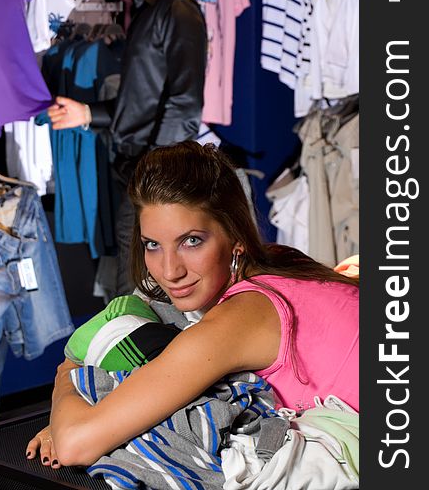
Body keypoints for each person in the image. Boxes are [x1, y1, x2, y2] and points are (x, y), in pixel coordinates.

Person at [26, 141, 359, 469]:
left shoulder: (239, 318)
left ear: (235, 237)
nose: (170, 271)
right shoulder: (280, 261)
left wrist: (67, 376)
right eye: (152, 245)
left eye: (191, 241)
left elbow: (73, 444)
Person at [47, 0, 207, 296]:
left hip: (148, 180)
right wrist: (87, 113)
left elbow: (185, 106)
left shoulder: (178, 12)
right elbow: (141, 101)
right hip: (136, 173)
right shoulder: (147, 6)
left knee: (138, 299)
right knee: (134, 295)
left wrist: (153, 182)